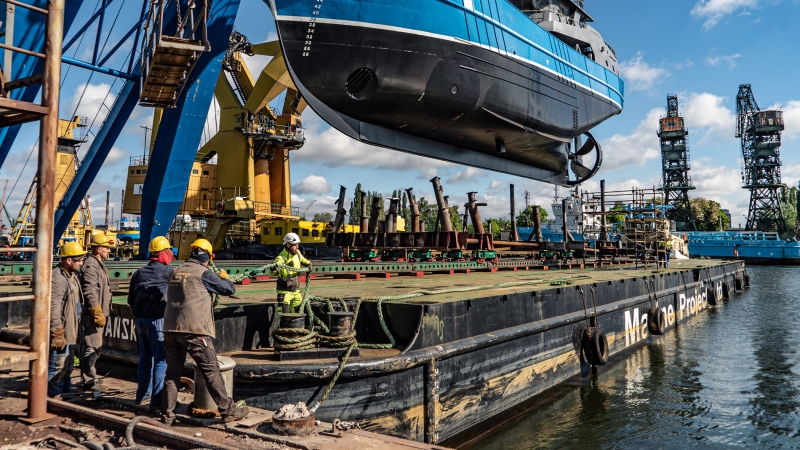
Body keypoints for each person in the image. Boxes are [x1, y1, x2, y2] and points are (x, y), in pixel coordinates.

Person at [161, 238, 249, 425]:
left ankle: (167, 415)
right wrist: (225, 277)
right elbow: (228, 289)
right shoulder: (204, 273)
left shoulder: (175, 270)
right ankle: (227, 411)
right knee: (211, 370)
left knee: (172, 373)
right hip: (194, 330)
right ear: (208, 257)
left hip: (171, 329)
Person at [127, 236, 174, 410]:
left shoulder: (140, 272)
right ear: (163, 253)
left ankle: (141, 397)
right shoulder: (168, 272)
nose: (171, 254)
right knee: (161, 361)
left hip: (140, 321)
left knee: (145, 359)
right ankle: (156, 401)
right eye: (168, 251)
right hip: (157, 321)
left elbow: (130, 299)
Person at [49, 242, 86, 396]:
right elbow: (53, 307)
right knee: (57, 367)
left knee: (67, 366)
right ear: (68, 260)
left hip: (70, 331)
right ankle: (53, 398)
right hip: (62, 332)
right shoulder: (58, 278)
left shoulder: (71, 276)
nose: (82, 263)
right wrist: (57, 332)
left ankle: (65, 395)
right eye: (79, 260)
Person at [80, 233, 113, 391]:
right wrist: (96, 310)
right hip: (93, 314)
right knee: (92, 346)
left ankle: (90, 378)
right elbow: (90, 290)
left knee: (95, 346)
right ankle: (89, 380)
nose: (109, 250)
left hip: (99, 312)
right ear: (99, 249)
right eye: (107, 247)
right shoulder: (91, 265)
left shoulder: (97, 263)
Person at [270, 233, 312, 313]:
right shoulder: (280, 258)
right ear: (288, 245)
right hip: (284, 293)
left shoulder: (297, 254)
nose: (297, 247)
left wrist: (309, 263)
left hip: (296, 292)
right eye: (295, 245)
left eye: (298, 245)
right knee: (283, 316)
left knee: (298, 313)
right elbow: (273, 272)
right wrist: (274, 268)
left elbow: (303, 260)